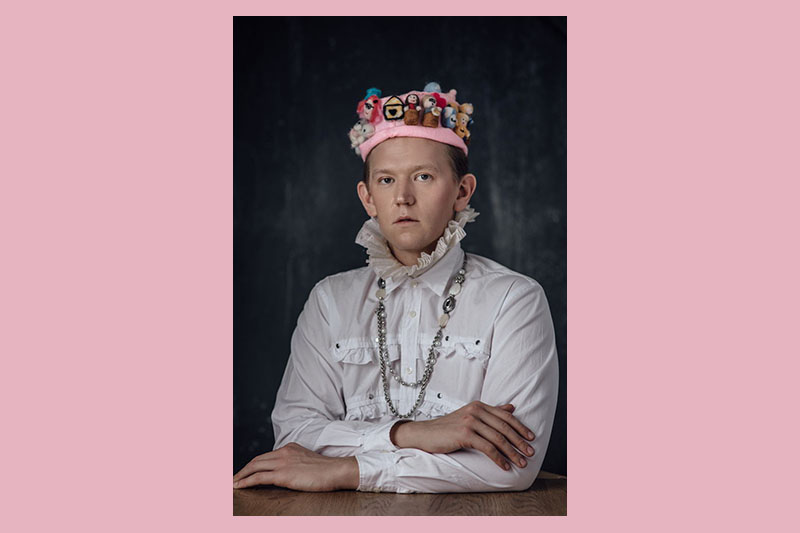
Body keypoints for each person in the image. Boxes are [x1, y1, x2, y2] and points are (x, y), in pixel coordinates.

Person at [233, 82, 559, 493]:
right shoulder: (330, 300)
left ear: (462, 191)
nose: (403, 198)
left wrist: (347, 469)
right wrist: (409, 434)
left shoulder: (515, 299)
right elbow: (294, 438)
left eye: (423, 176)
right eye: (386, 181)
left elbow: (510, 467)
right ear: (368, 198)